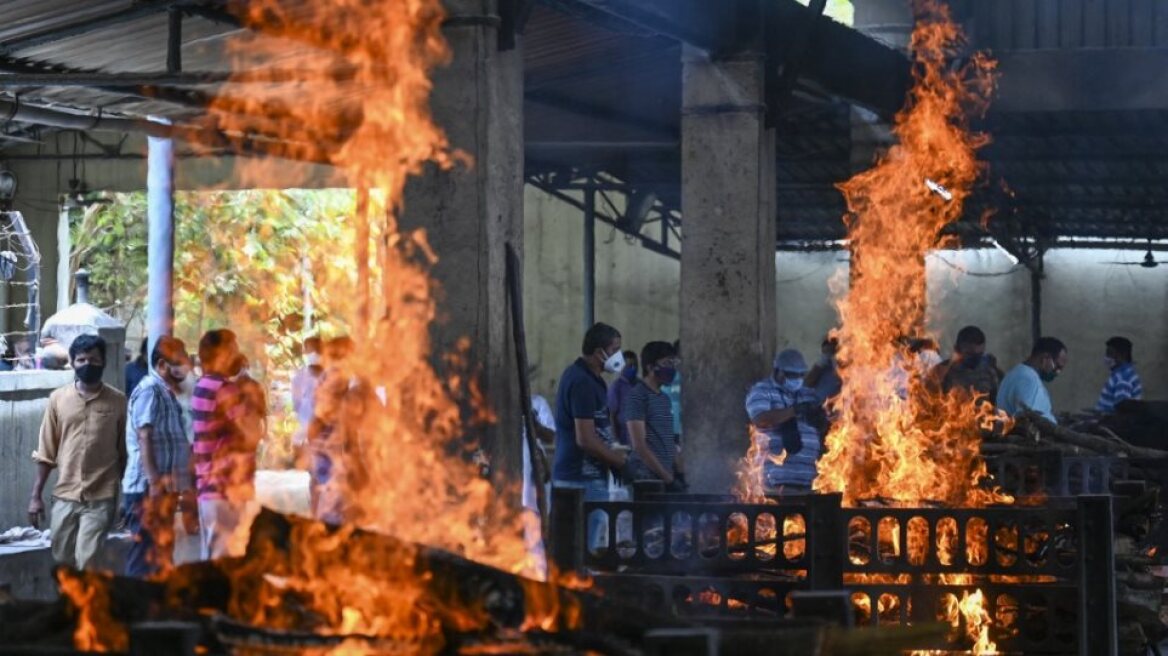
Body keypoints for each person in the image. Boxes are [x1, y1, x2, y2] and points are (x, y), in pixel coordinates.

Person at [27, 334, 127, 570]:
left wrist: (126, 499)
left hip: (101, 497)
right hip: (65, 495)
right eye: (81, 359)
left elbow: (124, 453)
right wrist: (35, 497)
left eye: (93, 359)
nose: (87, 364)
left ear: (103, 362)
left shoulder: (118, 401)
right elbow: (46, 451)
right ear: (72, 362)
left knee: (88, 562)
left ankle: (85, 607)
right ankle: (68, 606)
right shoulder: (58, 399)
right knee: (62, 562)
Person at [121, 336, 195, 577]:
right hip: (148, 488)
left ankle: (157, 605)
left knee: (162, 550)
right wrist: (154, 482)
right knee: (145, 553)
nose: (184, 369)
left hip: (164, 487)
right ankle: (135, 608)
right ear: (162, 365)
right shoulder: (150, 391)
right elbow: (144, 436)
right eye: (178, 363)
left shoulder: (165, 392)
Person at [552, 323, 629, 549]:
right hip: (580, 481)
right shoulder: (581, 382)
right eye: (615, 349)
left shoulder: (592, 380)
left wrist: (612, 457)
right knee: (580, 551)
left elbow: (597, 431)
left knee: (583, 548)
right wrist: (619, 462)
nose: (619, 355)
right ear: (599, 352)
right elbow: (584, 438)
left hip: (590, 478)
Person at [192, 329, 257, 559]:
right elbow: (251, 434)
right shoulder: (223, 389)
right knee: (224, 560)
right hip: (225, 488)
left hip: (209, 488)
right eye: (234, 349)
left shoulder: (203, 385)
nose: (238, 354)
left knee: (211, 558)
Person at [745, 349, 827, 492]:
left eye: (801, 375)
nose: (798, 379)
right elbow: (761, 419)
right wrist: (795, 410)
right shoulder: (762, 390)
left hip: (809, 482)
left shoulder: (807, 394)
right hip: (776, 482)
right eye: (793, 375)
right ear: (779, 372)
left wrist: (821, 417)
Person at [624, 341, 686, 490]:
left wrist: (679, 472)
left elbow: (668, 439)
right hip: (646, 479)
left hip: (665, 477)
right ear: (650, 367)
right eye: (667, 363)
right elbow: (639, 446)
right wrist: (668, 479)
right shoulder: (638, 396)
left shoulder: (664, 399)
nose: (671, 368)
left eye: (673, 363)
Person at [996, 337, 1068, 424]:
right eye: (1057, 367)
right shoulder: (1029, 380)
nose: (1058, 372)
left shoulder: (1016, 373)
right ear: (1045, 358)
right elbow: (1031, 421)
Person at [930, 326, 1003, 403]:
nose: (975, 359)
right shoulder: (941, 372)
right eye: (969, 354)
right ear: (957, 349)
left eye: (980, 354)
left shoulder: (990, 371)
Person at [291, 336, 324, 447]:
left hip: (327, 426)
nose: (314, 353)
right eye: (310, 349)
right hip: (306, 423)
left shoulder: (332, 375)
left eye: (317, 349)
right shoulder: (299, 377)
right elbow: (296, 404)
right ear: (304, 352)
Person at [1097, 336, 1143, 414]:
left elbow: (1121, 411)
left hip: (1109, 423)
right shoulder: (1127, 373)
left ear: (1122, 355)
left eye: (1109, 353)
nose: (1106, 357)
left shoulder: (1123, 379)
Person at [606, 350, 639, 446]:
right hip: (623, 438)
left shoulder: (641, 385)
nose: (632, 368)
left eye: (634, 365)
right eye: (629, 366)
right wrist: (616, 441)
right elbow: (612, 415)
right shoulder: (616, 387)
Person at [804, 335, 842, 405]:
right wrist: (821, 363)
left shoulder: (846, 369)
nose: (828, 354)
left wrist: (835, 363)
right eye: (825, 352)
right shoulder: (820, 367)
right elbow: (807, 384)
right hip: (816, 407)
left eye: (831, 351)